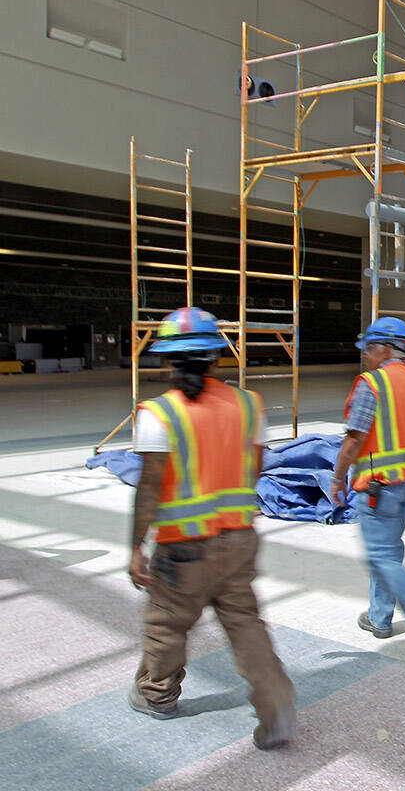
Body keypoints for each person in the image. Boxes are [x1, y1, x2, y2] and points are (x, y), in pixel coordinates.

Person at [127, 307, 295, 750]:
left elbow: (149, 488)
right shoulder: (248, 404)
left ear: (167, 361)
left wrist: (135, 547)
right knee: (244, 622)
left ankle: (156, 694)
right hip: (239, 539)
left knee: (167, 623)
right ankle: (276, 704)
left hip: (182, 547)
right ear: (216, 357)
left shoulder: (158, 414)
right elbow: (254, 467)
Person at [331, 317, 405, 671]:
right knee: (389, 548)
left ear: (386, 349)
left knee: (381, 555)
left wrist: (337, 478)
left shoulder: (373, 384)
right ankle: (379, 617)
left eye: (369, 349)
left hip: (378, 487)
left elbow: (355, 438)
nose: (366, 356)